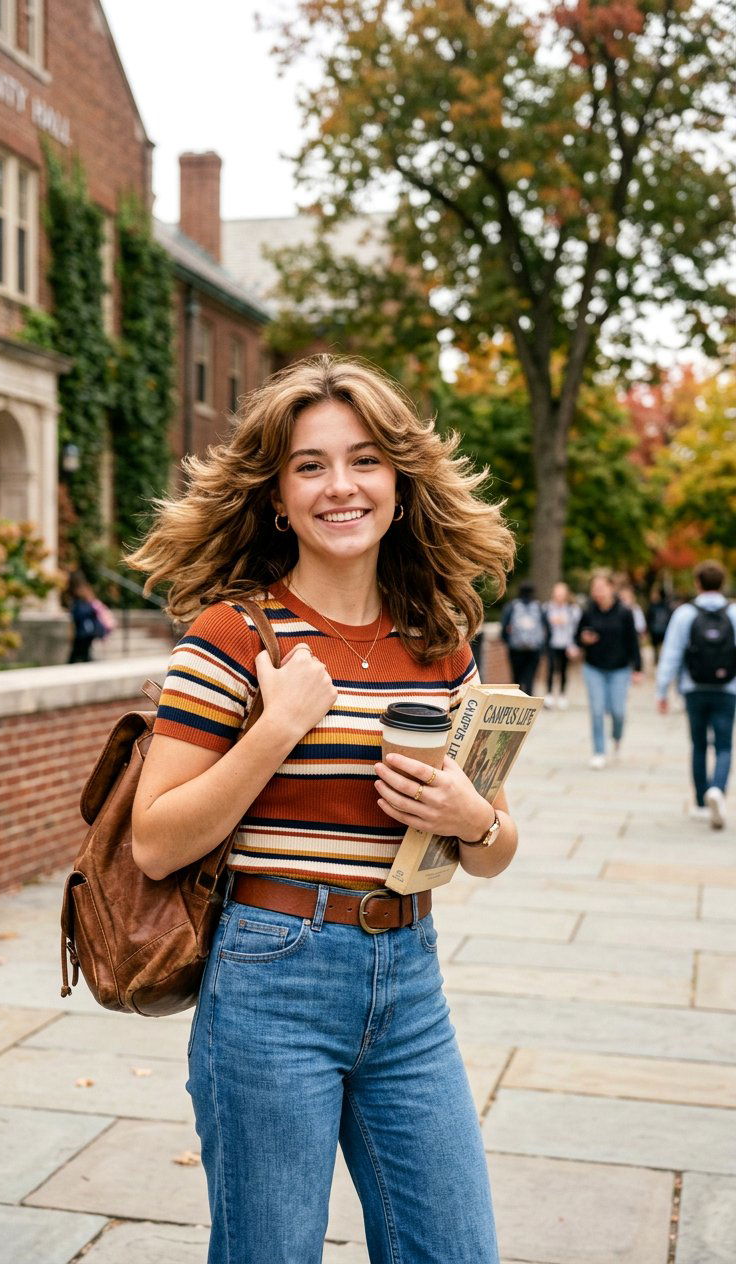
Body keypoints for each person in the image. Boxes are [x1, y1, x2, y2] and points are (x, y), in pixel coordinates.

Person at [126, 355, 518, 1264]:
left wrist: (469, 814)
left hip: (411, 981)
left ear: (400, 482)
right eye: (310, 465)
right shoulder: (234, 635)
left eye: (366, 460)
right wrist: (276, 730)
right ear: (277, 496)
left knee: (455, 1249)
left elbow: (497, 847)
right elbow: (153, 842)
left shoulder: (440, 642)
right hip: (272, 981)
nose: (341, 485)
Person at [656, 560, 736, 829]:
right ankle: (717, 788)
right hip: (727, 689)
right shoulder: (734, 612)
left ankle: (702, 803)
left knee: (699, 744)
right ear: (722, 584)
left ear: (697, 583)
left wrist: (662, 689)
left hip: (694, 688)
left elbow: (672, 653)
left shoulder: (685, 613)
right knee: (724, 745)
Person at [575, 572, 643, 769]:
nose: (598, 593)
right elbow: (577, 636)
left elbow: (633, 642)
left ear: (612, 588)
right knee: (596, 710)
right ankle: (599, 751)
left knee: (618, 711)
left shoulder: (625, 612)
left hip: (619, 669)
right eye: (594, 589)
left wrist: (638, 668)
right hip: (594, 667)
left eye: (601, 588)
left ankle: (617, 736)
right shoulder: (588, 611)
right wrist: (583, 639)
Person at [500, 580, 549, 695]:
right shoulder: (539, 607)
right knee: (530, 676)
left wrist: (508, 642)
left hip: (515, 648)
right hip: (534, 649)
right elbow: (547, 628)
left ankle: (518, 700)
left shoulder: (512, 606)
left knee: (516, 677)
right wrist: (542, 646)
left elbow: (503, 627)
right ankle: (529, 699)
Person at [542, 581, 581, 709]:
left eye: (562, 594)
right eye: (557, 593)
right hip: (552, 643)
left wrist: (575, 645)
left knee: (564, 670)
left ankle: (562, 695)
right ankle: (549, 695)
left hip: (566, 644)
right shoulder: (547, 608)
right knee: (551, 668)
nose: (559, 596)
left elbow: (577, 628)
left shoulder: (572, 609)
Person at [67, 573, 104, 663]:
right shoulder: (86, 594)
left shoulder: (79, 597)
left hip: (83, 630)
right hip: (88, 630)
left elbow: (78, 614)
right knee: (84, 653)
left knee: (77, 653)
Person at [647, 586, 676, 664]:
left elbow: (649, 618)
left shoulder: (653, 606)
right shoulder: (668, 606)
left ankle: (657, 658)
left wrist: (649, 629)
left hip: (655, 630)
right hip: (665, 630)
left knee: (655, 647)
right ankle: (662, 659)